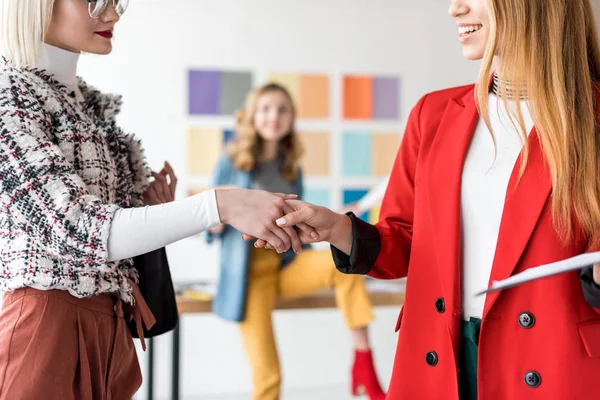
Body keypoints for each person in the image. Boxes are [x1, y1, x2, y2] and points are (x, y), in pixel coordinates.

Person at [251, 0, 600, 398]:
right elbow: (403, 240)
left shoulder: (594, 121)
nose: (455, 8)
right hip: (437, 362)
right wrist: (336, 228)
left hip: (551, 369)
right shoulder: (432, 114)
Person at [0, 1, 305, 398]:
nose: (112, 14)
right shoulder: (11, 97)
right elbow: (77, 228)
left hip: (110, 329)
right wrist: (219, 205)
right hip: (46, 326)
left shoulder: (91, 107)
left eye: (116, 0)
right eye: (95, 0)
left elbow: (111, 237)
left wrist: (151, 212)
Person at [206, 83, 386, 400]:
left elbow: (294, 225)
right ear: (252, 116)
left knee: (347, 261)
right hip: (249, 279)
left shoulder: (292, 168)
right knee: (270, 378)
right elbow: (211, 224)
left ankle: (364, 363)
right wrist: (217, 221)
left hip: (285, 265)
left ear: (291, 118)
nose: (273, 116)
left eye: (282, 109)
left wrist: (335, 218)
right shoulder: (231, 163)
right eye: (265, 109)